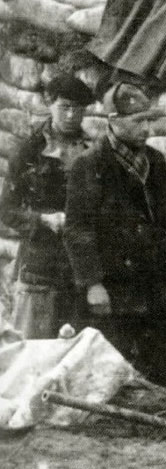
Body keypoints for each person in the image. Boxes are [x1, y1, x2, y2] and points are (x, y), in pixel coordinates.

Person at [62, 82, 166, 392]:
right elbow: (78, 228)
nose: (146, 129)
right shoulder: (90, 165)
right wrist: (93, 283)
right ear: (113, 121)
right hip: (117, 287)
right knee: (116, 371)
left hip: (156, 281)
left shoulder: (155, 162)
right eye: (138, 121)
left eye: (149, 121)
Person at [0, 75, 92, 338]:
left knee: (76, 347)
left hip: (81, 267)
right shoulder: (30, 150)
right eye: (64, 107)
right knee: (34, 345)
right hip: (40, 265)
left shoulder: (92, 152)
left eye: (78, 109)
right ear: (50, 104)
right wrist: (42, 220)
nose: (72, 115)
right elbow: (6, 209)